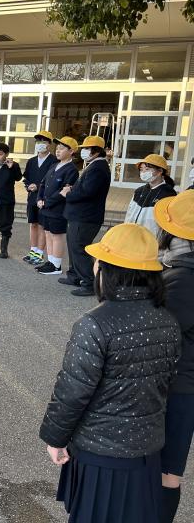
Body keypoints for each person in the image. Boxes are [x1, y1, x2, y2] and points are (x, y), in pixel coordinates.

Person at [39, 223, 180, 523]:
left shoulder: (94, 324)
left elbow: (72, 392)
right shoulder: (168, 321)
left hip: (100, 455)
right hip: (146, 452)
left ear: (108, 270)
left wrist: (55, 438)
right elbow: (166, 382)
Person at [155, 191, 194, 522]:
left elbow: (161, 334)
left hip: (178, 386)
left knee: (166, 470)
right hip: (185, 384)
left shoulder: (182, 278)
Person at [61, 135, 111, 296]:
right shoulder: (94, 165)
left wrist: (68, 193)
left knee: (79, 247)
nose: (84, 151)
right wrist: (72, 189)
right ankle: (75, 275)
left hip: (86, 217)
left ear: (96, 151)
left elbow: (88, 192)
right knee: (73, 245)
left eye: (87, 149)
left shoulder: (98, 168)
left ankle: (89, 283)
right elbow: (84, 188)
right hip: (80, 215)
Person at [36, 137, 79, 275]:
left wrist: (47, 202)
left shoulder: (72, 170)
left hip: (58, 209)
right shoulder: (54, 165)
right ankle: (51, 261)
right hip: (46, 208)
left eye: (62, 148)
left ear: (71, 151)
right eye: (57, 148)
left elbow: (63, 191)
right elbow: (43, 183)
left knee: (57, 235)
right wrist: (39, 198)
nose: (58, 150)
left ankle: (56, 265)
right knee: (48, 233)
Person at [22, 130, 58, 265]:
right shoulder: (31, 161)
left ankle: (40, 253)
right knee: (33, 224)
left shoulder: (54, 161)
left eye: (43, 141)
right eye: (38, 141)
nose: (40, 144)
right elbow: (26, 178)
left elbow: (53, 181)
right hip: (32, 197)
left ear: (49, 144)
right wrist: (28, 186)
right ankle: (33, 250)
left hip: (44, 198)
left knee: (42, 225)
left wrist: (38, 186)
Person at [124, 154, 176, 237]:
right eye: (141, 169)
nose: (143, 172)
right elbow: (129, 214)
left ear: (160, 171)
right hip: (132, 237)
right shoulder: (139, 191)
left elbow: (169, 223)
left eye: (147, 169)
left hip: (152, 240)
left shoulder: (168, 194)